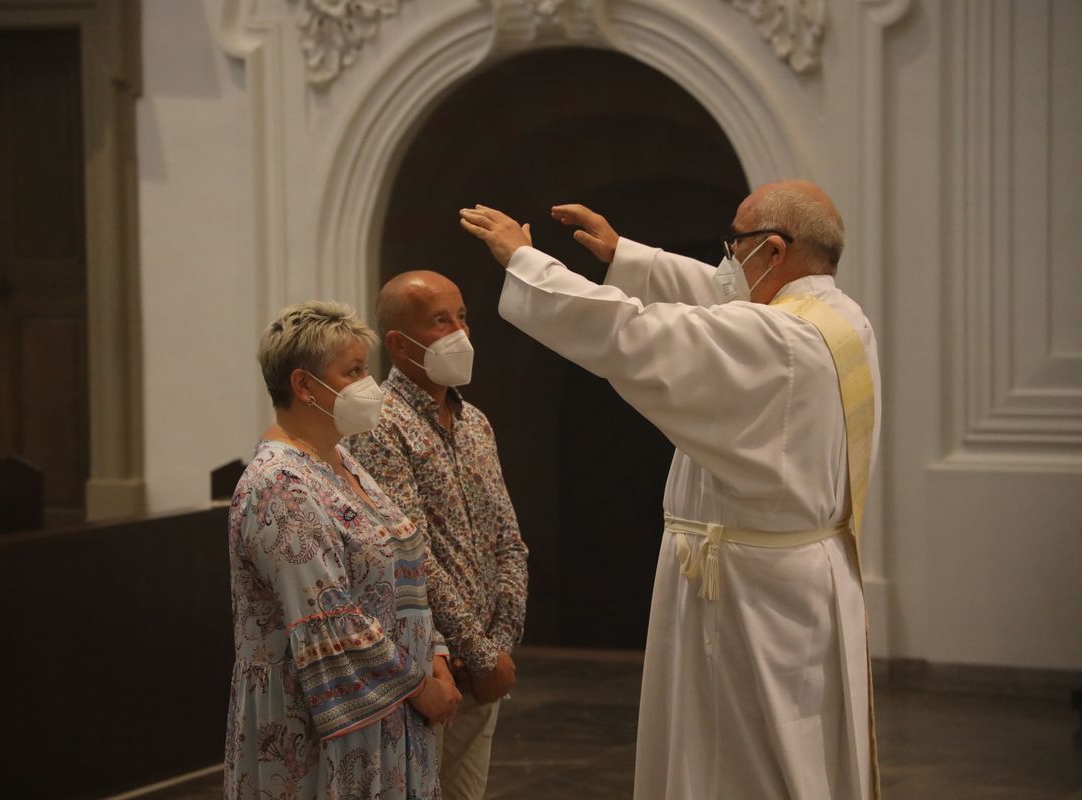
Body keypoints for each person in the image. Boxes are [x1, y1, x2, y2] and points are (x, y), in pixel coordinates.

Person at [459, 180, 881, 800]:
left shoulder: (778, 343)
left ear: (771, 250)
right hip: (795, 579)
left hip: (751, 597)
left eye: (731, 243)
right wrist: (625, 256)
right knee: (786, 746)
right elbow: (721, 298)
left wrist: (528, 264)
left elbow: (637, 333)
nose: (724, 262)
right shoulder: (839, 318)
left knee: (746, 761)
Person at [224, 301, 462, 800]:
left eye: (365, 369)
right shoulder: (279, 486)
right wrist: (421, 689)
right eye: (352, 371)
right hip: (321, 723)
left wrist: (434, 653)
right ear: (305, 386)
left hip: (394, 701)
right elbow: (328, 617)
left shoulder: (343, 461)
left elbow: (402, 567)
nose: (367, 385)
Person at [347, 271, 530, 800]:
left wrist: (500, 646)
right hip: (433, 665)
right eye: (440, 321)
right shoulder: (381, 424)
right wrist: (475, 650)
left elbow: (509, 540)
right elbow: (413, 556)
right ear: (400, 344)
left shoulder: (476, 423)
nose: (460, 333)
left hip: (486, 666)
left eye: (462, 316)